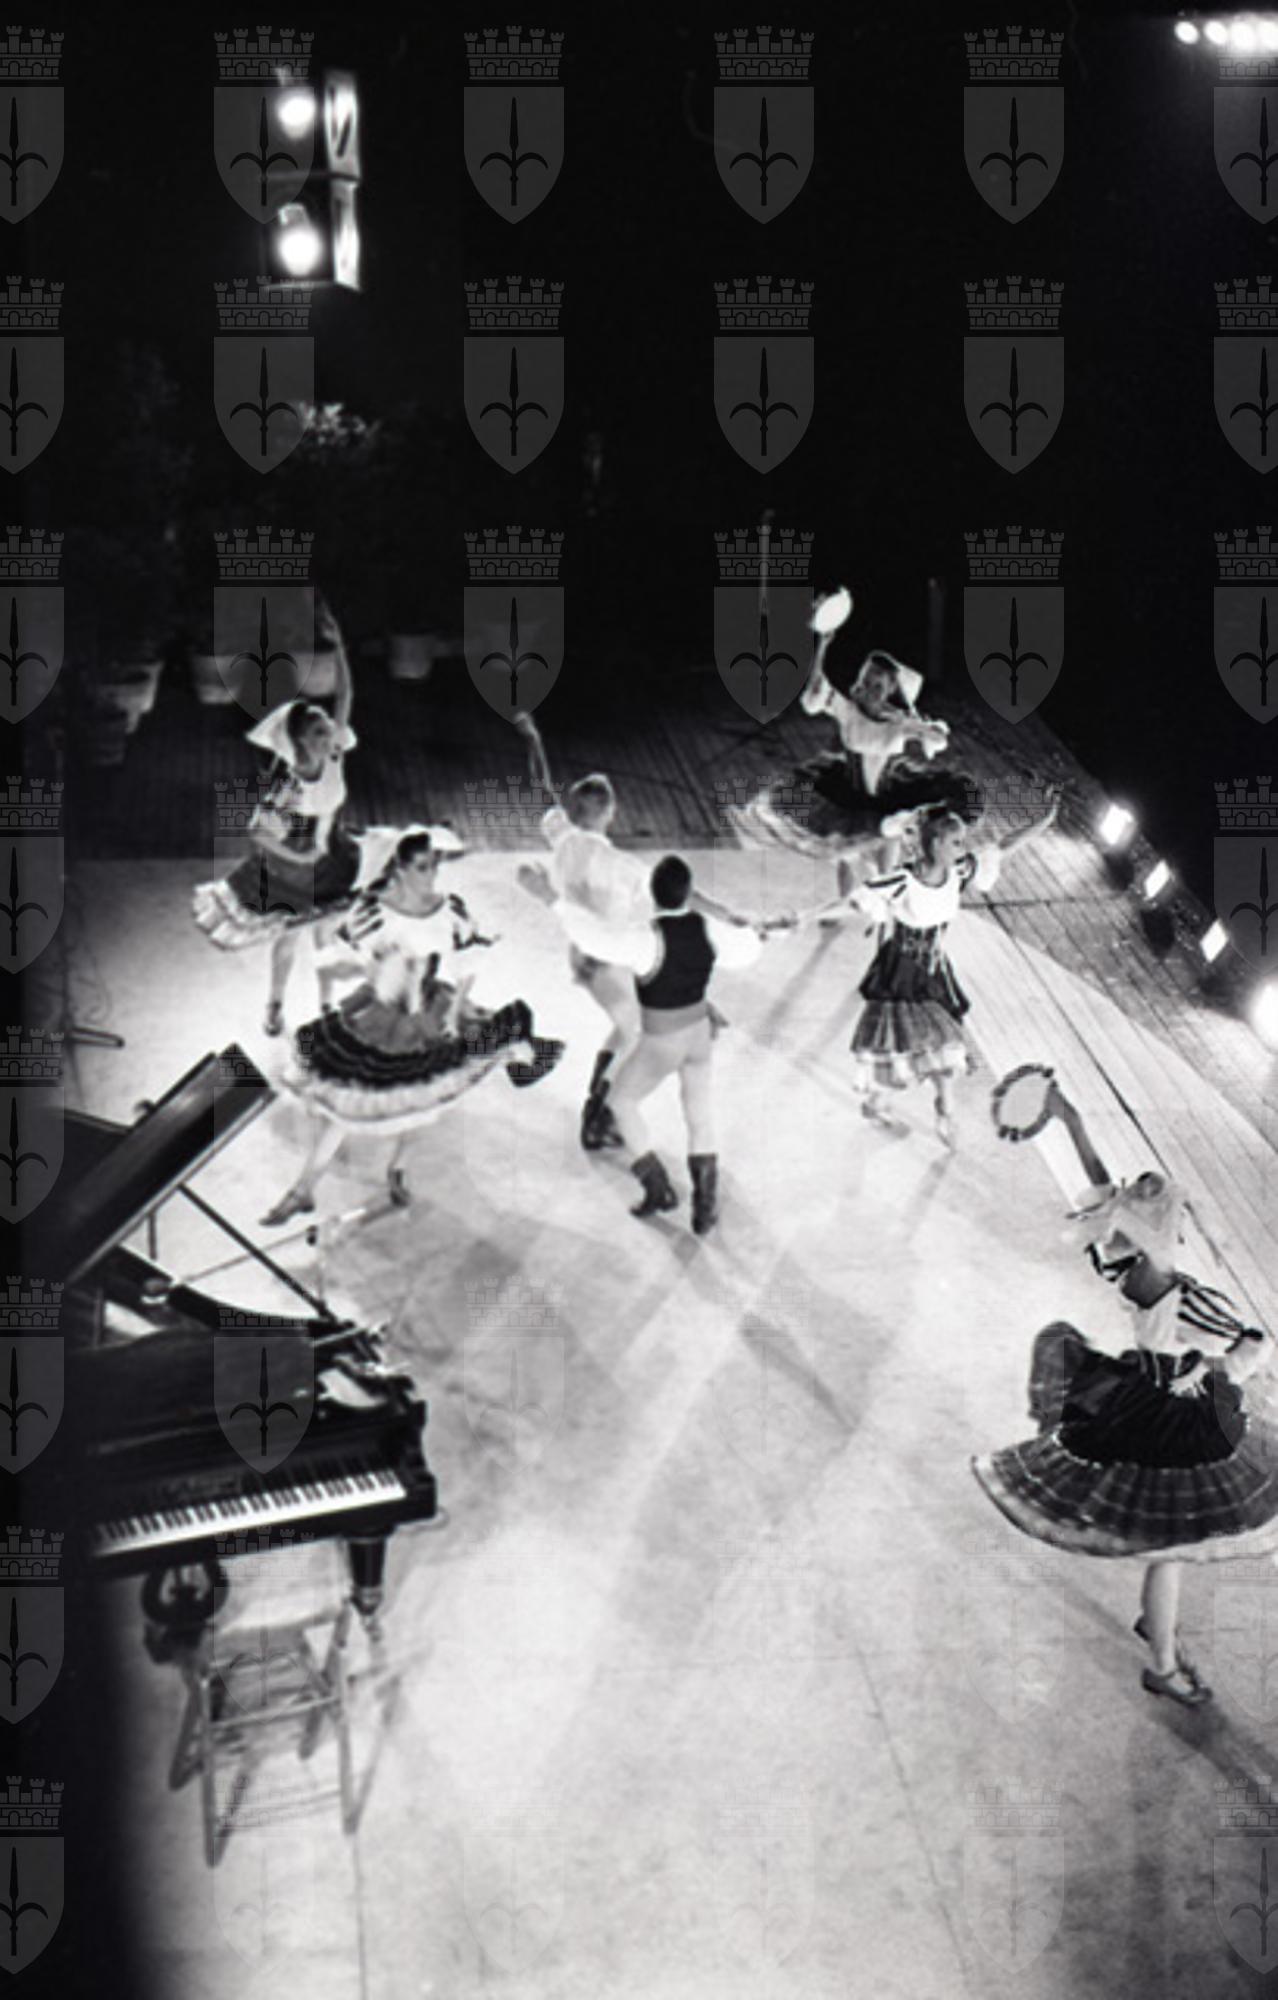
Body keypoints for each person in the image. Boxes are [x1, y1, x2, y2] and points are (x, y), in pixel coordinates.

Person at [972, 1081, 1278, 1709]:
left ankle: (1156, 1634)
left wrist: (1070, 1119)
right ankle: (1161, 1664)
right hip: (1184, 1421)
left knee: (1170, 1543)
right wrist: (1213, 1369)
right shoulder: (1180, 1293)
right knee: (1173, 1548)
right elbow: (1242, 1347)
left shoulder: (1124, 1264)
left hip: (1149, 1400)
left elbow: (1101, 1188)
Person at [259, 825, 564, 1226]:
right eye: (422, 867)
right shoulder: (373, 910)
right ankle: (302, 1191)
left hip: (428, 1012)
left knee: (422, 1100)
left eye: (434, 866)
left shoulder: (449, 909)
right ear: (400, 869)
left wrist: (454, 1012)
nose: (431, 875)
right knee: (343, 1109)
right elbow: (338, 960)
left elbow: (468, 963)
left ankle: (398, 1169)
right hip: (379, 1017)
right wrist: (375, 968)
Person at [513, 710, 754, 1151]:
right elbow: (681, 896)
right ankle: (597, 1116)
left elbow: (538, 787)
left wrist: (533, 739)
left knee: (627, 1028)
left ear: (574, 811)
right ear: (608, 811)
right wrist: (727, 913)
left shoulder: (561, 835)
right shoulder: (620, 865)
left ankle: (600, 1108)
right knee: (638, 1033)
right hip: (611, 959)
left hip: (582, 952)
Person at [800, 790, 1059, 1146]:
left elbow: (1004, 846)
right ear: (936, 843)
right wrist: (798, 918)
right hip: (899, 975)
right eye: (955, 842)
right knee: (906, 1052)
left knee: (944, 1050)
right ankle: (884, 1103)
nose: (961, 849)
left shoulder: (959, 872)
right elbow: (852, 904)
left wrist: (1044, 820)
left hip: (935, 973)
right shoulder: (902, 881)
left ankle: (942, 1111)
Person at [561, 852, 767, 1234]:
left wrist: (552, 900)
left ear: (653, 895)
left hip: (662, 1040)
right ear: (689, 893)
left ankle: (657, 1187)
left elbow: (596, 940)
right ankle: (704, 1208)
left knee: (621, 1103)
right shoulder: (708, 929)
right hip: (699, 1035)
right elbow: (747, 950)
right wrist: (754, 930)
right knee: (699, 1116)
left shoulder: (645, 938)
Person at [193, 622, 360, 1037]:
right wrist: (300, 857)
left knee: (326, 936)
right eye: (319, 731)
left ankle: (327, 1008)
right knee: (289, 940)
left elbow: (346, 695)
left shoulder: (335, 752)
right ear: (301, 742)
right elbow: (259, 832)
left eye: (328, 726)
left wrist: (340, 645)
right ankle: (275, 1006)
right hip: (297, 867)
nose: (330, 733)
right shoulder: (290, 785)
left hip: (335, 854)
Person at [729, 618, 976, 889]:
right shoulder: (848, 710)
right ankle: (847, 900)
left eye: (878, 686)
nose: (869, 690)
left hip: (887, 799)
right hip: (847, 796)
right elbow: (812, 698)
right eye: (866, 681)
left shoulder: (898, 723)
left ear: (890, 691)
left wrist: (924, 728)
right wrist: (822, 645)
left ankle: (886, 903)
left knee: (886, 860)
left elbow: (938, 741)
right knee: (844, 854)